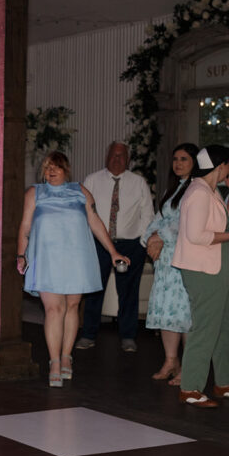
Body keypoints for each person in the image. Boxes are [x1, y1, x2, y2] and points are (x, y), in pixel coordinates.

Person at [16, 151, 128, 387]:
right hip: (47, 258)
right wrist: (21, 255)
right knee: (54, 309)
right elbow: (25, 226)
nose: (51, 171)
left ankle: (67, 356)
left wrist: (113, 252)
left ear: (66, 169)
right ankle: (54, 361)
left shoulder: (80, 190)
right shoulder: (34, 193)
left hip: (77, 256)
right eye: (47, 168)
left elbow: (95, 222)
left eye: (56, 167)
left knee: (72, 306)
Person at [172, 145, 229, 407]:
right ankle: (191, 388)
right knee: (206, 328)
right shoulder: (198, 192)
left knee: (227, 325)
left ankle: (222, 383)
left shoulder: (211, 191)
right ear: (220, 165)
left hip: (218, 268)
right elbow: (196, 236)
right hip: (203, 270)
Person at [77, 142, 154, 352]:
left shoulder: (138, 182)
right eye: (113, 155)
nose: (116, 159)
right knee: (94, 290)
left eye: (121, 156)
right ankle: (88, 334)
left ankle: (128, 336)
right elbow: (83, 212)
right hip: (100, 243)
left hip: (130, 245)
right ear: (106, 157)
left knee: (128, 292)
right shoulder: (92, 180)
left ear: (128, 159)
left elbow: (148, 213)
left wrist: (142, 242)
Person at [142, 143, 197, 385]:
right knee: (167, 310)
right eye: (175, 158)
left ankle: (189, 366)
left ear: (195, 162)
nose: (178, 163)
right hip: (165, 262)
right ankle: (170, 360)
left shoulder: (198, 189)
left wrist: (159, 236)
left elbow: (187, 224)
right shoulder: (172, 190)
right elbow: (159, 219)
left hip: (185, 259)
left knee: (185, 313)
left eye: (184, 158)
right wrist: (150, 237)